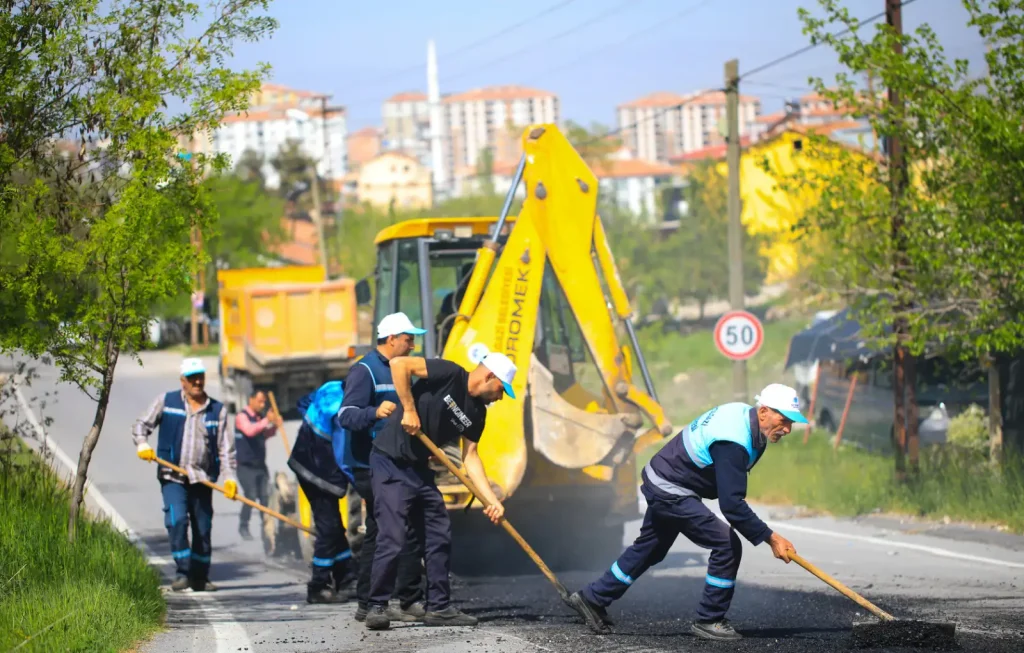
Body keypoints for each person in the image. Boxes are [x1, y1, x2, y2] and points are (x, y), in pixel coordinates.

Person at [567, 383, 806, 642]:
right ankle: (710, 619)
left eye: (792, 423)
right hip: (671, 488)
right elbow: (732, 506)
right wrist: (771, 538)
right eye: (783, 420)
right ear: (763, 412)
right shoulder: (733, 440)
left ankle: (591, 598)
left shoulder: (743, 416)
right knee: (727, 544)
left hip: (665, 478)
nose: (787, 429)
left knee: (650, 548)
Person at [364, 351, 517, 630]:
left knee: (439, 533)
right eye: (501, 389)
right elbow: (399, 364)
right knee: (393, 534)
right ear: (489, 376)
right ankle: (377, 605)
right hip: (390, 461)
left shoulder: (477, 413)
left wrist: (491, 500)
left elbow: (470, 457)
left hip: (419, 469)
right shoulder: (449, 373)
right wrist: (409, 409)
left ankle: (439, 607)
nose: (500, 396)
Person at [336, 312, 428, 623]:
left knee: (410, 527)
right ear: (391, 340)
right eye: (408, 339)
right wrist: (374, 412)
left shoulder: (406, 369)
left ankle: (407, 598)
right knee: (383, 530)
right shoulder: (365, 371)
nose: (413, 345)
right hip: (370, 464)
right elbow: (346, 416)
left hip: (401, 460)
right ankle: (370, 602)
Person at [133, 357, 238, 592]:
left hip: (202, 478)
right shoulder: (167, 401)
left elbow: (226, 449)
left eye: (200, 377)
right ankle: (183, 571)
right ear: (183, 381)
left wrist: (229, 477)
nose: (197, 382)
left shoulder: (217, 410)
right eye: (192, 378)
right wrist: (142, 443)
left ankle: (200, 578)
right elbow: (141, 424)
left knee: (203, 528)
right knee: (177, 520)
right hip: (173, 475)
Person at [289, 381, 356, 604]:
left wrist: (314, 429)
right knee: (328, 528)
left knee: (334, 525)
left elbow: (303, 403)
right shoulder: (341, 412)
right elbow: (343, 456)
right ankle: (318, 586)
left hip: (302, 459)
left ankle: (346, 578)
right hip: (319, 471)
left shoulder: (331, 387)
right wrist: (360, 484)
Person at [234, 390, 282, 540]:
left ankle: (267, 530)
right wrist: (267, 420)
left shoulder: (260, 418)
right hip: (245, 466)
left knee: (265, 497)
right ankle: (243, 525)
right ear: (251, 399)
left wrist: (275, 426)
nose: (262, 405)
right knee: (251, 495)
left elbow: (263, 434)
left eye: (264, 402)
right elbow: (250, 431)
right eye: (260, 401)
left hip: (260, 465)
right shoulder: (242, 417)